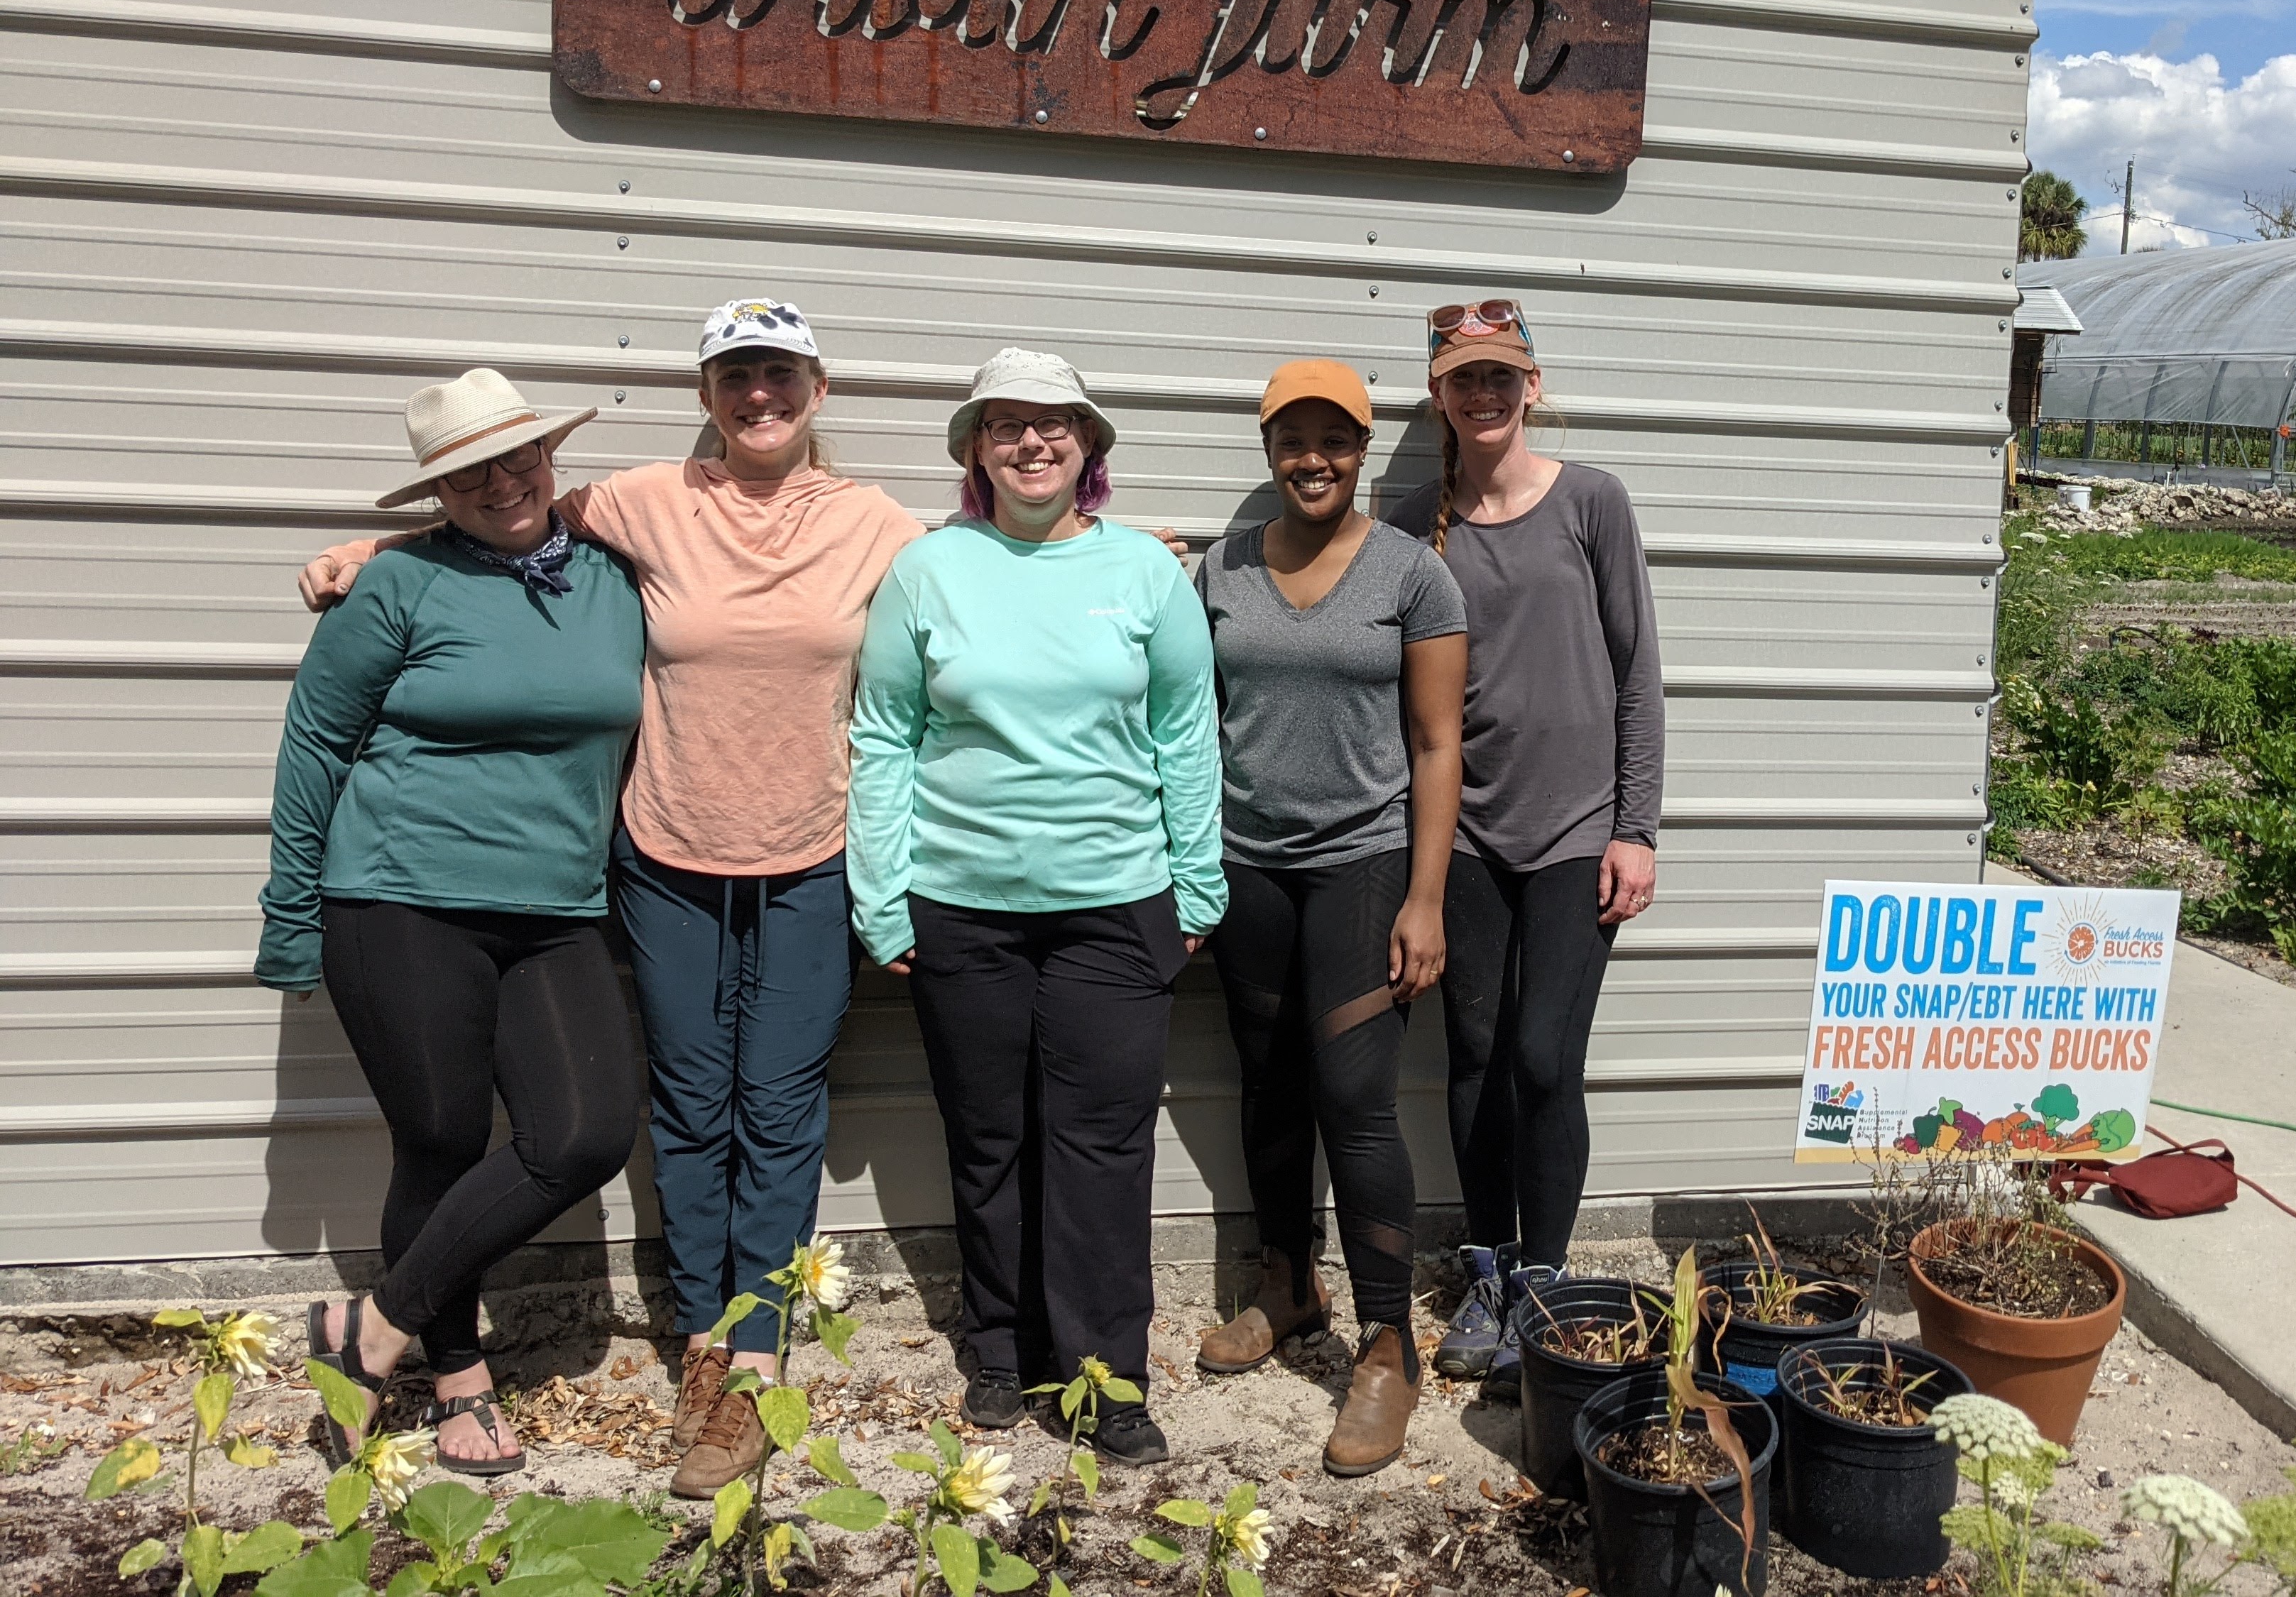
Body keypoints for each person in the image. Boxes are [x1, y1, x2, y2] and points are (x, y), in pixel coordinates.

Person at [294, 300, 926, 1496]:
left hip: (809, 854)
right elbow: (488, 531)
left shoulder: (874, 523)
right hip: (668, 853)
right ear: (706, 392)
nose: (758, 396)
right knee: (688, 1104)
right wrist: (368, 556)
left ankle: (756, 1349)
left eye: (779, 375)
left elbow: (972, 577)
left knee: (781, 1104)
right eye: (735, 375)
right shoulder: (638, 500)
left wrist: (1119, 543)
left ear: (818, 390)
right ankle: (699, 1336)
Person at [263, 370, 646, 1478]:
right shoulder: (397, 587)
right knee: (438, 1138)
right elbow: (314, 751)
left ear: (550, 458)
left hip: (561, 908)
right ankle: (459, 1373)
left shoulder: (615, 581)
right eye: (467, 470)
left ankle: (367, 1330)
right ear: (437, 491)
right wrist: (290, 919)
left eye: (517, 456)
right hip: (398, 899)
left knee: (579, 1137)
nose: (501, 481)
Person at [849, 348, 1223, 1468]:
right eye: (1006, 424)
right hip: (960, 904)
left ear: (1089, 446)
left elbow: (1186, 731)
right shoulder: (928, 570)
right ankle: (1003, 1346)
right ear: (976, 448)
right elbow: (882, 738)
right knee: (990, 1137)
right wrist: (881, 897)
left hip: (1117, 905)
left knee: (1103, 1146)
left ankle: (1106, 1372)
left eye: (1055, 424)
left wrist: (1199, 883)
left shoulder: (1147, 575)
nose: (1032, 442)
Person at [1383, 300, 1664, 1390]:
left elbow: (1637, 671)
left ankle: (1545, 1279)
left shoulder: (1591, 502)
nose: (1485, 395)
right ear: (1440, 396)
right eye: (1465, 379)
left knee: (1545, 1060)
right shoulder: (1412, 521)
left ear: (1532, 386)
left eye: (1503, 376)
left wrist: (1635, 826)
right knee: (1472, 1061)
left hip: (1572, 832)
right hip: (1461, 839)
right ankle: (1490, 1272)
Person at [1192, 361, 1466, 1476]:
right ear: (1269, 450)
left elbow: (1440, 744)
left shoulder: (1415, 575)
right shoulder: (1219, 570)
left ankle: (1389, 1343)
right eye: (1292, 439)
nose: (1314, 458)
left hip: (1363, 865)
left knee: (1355, 1103)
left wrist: (1427, 897)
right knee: (1267, 1082)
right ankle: (1286, 1285)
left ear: (1360, 452)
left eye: (1335, 440)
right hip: (1249, 866)